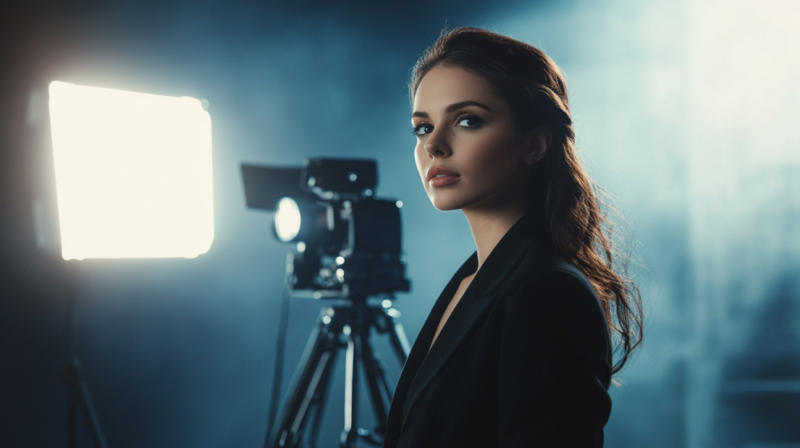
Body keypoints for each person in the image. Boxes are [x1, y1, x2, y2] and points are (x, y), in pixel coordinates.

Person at [383, 27, 643, 448]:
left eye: (468, 120)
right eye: (422, 127)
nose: (434, 145)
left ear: (535, 143)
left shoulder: (548, 290)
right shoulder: (472, 281)